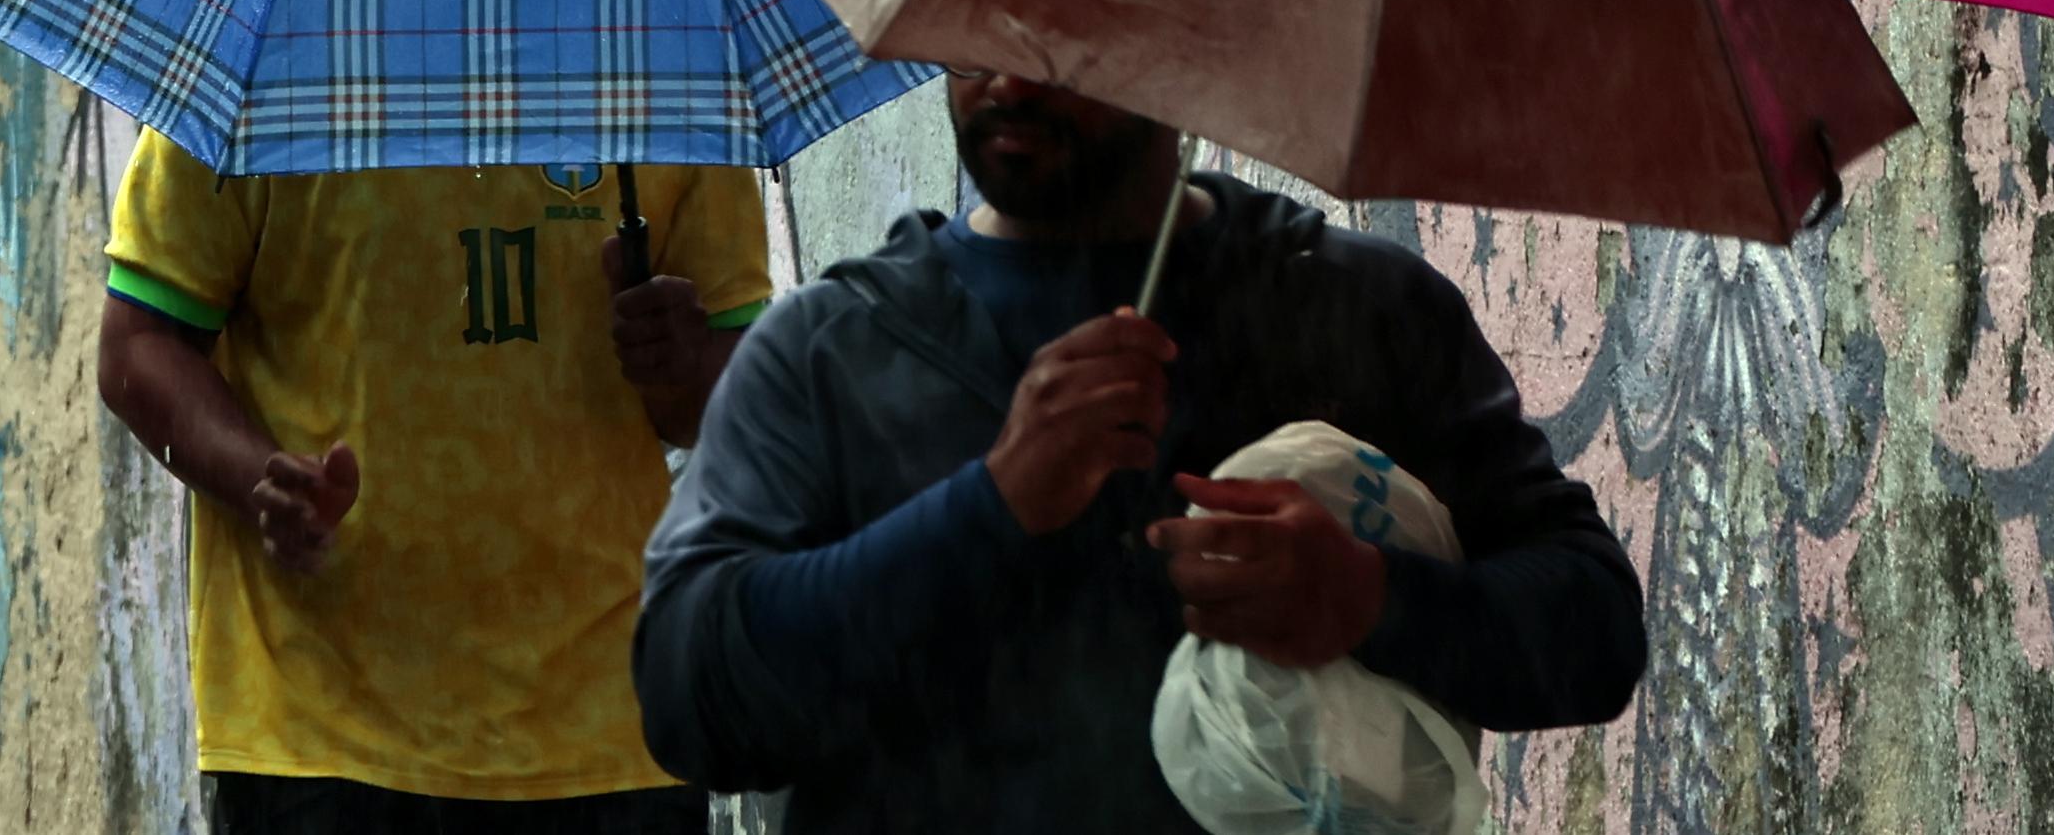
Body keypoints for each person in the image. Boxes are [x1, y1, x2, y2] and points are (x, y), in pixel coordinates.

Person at [633, 68, 1650, 828]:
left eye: (1066, 9)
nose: (1010, 69)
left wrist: (1373, 597)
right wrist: (986, 511)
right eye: (980, 7)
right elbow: (691, 700)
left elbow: (1594, 630)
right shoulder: (830, 352)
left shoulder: (1356, 308)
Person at [98, 131, 773, 832]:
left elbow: (729, 391)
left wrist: (683, 362)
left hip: (611, 726)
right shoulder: (263, 79)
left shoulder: (655, 67)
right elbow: (137, 345)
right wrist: (257, 478)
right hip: (320, 729)